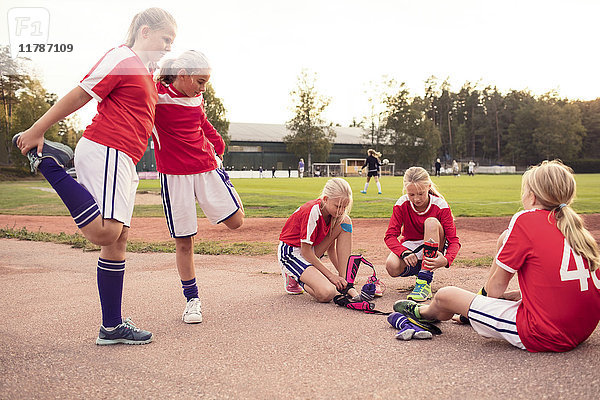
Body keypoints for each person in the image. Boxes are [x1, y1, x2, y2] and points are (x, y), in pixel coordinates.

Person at [12, 8, 177, 345]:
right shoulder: (123, 57)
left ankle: (111, 327)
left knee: (118, 241)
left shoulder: (145, 72)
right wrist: (37, 129)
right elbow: (81, 92)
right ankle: (48, 163)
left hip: (124, 159)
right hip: (107, 147)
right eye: (166, 40)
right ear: (145, 32)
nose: (168, 48)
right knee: (105, 233)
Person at [395, 160, 600, 352]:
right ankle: (478, 307)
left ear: (533, 196)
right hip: (583, 327)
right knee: (504, 241)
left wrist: (478, 304)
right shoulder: (576, 228)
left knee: (445, 295)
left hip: (546, 332)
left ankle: (423, 313)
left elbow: (494, 290)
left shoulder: (526, 219)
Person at [153, 50, 244, 324]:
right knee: (185, 241)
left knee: (237, 221)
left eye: (206, 82)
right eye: (200, 81)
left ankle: (223, 180)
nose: (204, 88)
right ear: (183, 75)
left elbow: (202, 123)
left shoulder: (197, 98)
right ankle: (192, 300)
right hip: (173, 175)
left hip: (205, 168)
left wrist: (219, 146)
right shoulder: (154, 95)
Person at [277, 178, 366, 301]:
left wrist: (341, 279)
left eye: (344, 207)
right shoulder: (313, 211)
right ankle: (294, 276)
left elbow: (331, 250)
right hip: (292, 253)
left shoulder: (333, 214)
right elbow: (305, 252)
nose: (341, 211)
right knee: (326, 293)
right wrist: (331, 277)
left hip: (309, 251)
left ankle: (347, 284)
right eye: (338, 206)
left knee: (346, 221)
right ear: (325, 199)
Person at [384, 167, 460, 302]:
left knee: (430, 222)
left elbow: (453, 240)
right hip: (412, 247)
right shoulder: (402, 203)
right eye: (411, 194)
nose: (416, 199)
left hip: (434, 243)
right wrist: (404, 252)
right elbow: (390, 236)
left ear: (428, 187)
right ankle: (421, 271)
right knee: (392, 266)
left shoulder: (440, 205)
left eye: (420, 193)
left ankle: (424, 281)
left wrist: (447, 259)